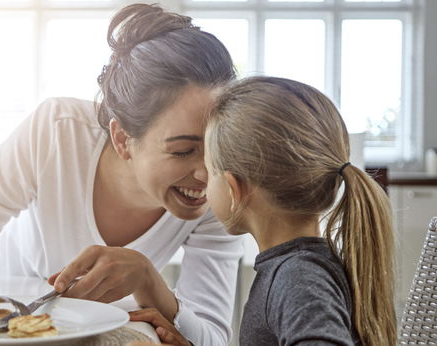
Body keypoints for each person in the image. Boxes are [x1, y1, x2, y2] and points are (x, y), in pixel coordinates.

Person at [0, 4, 243, 345]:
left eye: (218, 146)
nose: (206, 172)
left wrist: (148, 281)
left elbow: (211, 337)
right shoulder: (56, 132)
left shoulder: (224, 187)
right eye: (183, 150)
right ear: (123, 138)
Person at [132, 76, 397, 346]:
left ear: (235, 188)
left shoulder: (298, 278)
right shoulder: (300, 268)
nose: (202, 181)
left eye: (211, 171)